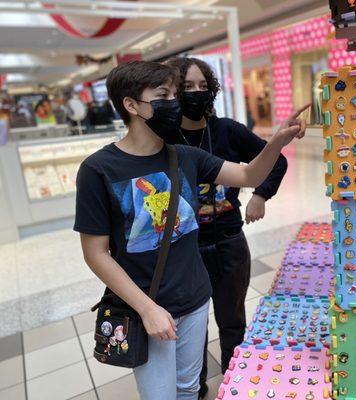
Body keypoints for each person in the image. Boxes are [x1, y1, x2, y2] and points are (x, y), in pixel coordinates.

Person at [73, 60, 307, 400]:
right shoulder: (98, 170)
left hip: (195, 297)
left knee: (188, 388)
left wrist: (277, 141)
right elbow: (95, 254)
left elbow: (247, 176)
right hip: (149, 304)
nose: (174, 103)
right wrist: (147, 308)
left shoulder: (186, 156)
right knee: (160, 395)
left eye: (174, 94)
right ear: (131, 105)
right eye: (163, 95)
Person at [164, 56, 287, 397]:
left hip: (230, 240)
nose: (196, 93)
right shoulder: (163, 137)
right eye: (187, 87)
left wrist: (260, 195)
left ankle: (235, 381)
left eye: (203, 86)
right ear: (172, 92)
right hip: (185, 251)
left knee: (232, 318)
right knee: (192, 327)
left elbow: (274, 160)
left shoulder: (226, 131)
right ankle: (196, 387)